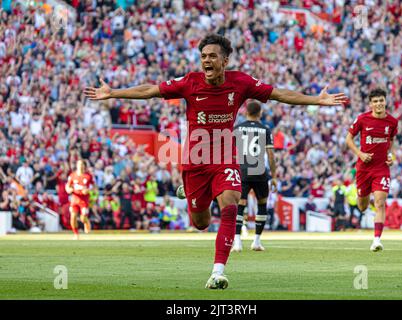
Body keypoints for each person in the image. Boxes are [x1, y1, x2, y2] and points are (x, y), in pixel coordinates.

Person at [84, 34, 347, 289]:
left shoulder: (241, 83)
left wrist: (316, 99)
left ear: (225, 61)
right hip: (196, 162)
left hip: (225, 158)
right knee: (200, 223)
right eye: (203, 56)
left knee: (231, 203)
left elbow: (279, 94)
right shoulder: (189, 82)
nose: (206, 60)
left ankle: (218, 272)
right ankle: (191, 191)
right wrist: (114, 92)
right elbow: (151, 90)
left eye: (212, 56)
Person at [346, 88, 398, 252]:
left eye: (381, 100)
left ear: (385, 101)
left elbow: (391, 141)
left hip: (381, 168)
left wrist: (392, 156)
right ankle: (364, 197)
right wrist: (360, 154)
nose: (378, 104)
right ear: (370, 104)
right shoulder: (362, 119)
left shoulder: (392, 122)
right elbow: (348, 139)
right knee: (362, 205)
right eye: (375, 101)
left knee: (380, 203)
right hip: (363, 169)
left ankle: (376, 239)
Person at [232, 101, 277, 252]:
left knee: (240, 205)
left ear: (246, 112)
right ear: (260, 113)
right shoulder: (265, 130)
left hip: (242, 171)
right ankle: (256, 241)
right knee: (262, 204)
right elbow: (271, 155)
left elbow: (229, 152)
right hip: (259, 172)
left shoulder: (237, 129)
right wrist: (274, 176)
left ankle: (237, 242)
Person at [65, 159, 95, 240]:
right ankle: (76, 234)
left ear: (84, 166)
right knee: (73, 216)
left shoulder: (88, 176)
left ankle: (86, 221)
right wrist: (68, 190)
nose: (80, 166)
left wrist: (88, 190)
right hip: (75, 199)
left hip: (84, 201)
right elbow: (67, 186)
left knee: (82, 218)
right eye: (79, 164)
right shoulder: (72, 175)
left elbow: (94, 187)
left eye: (82, 164)